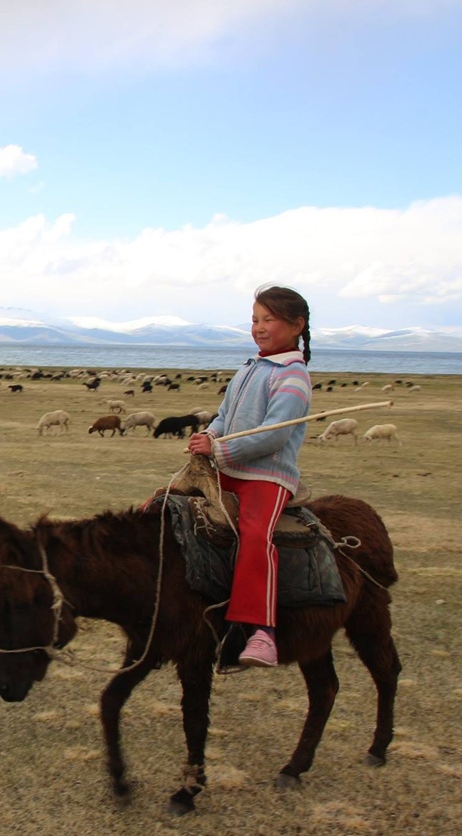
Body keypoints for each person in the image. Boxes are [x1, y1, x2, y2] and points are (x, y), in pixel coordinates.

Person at [187, 285, 312, 668]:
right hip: (227, 469)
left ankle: (262, 633)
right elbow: (224, 417)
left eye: (268, 320)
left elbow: (275, 434)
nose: (258, 327)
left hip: (266, 476)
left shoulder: (293, 375)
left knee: (256, 536)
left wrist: (220, 450)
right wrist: (209, 435)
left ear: (296, 325)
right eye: (255, 319)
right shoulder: (249, 368)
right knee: (163, 505)